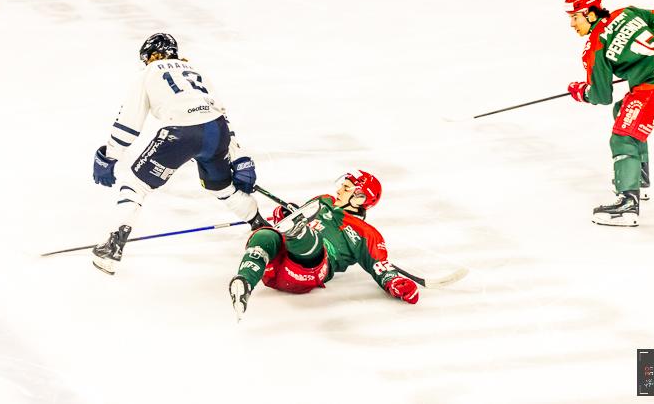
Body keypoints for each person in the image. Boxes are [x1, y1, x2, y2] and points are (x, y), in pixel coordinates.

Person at [91, 33, 269, 274]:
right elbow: (220, 113)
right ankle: (259, 224)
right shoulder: (195, 70)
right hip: (216, 130)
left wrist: (110, 155)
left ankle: (113, 246)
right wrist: (239, 157)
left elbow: (129, 122)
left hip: (182, 133)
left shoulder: (148, 73)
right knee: (221, 187)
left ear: (151, 56)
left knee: (135, 185)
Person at [565, 0, 654, 226]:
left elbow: (601, 95)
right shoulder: (626, 13)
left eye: (575, 17)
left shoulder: (595, 47)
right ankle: (638, 178)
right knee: (622, 112)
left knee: (623, 136)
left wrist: (581, 91)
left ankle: (627, 205)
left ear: (591, 14)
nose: (572, 24)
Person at [228, 170, 419, 320]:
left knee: (311, 239)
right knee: (265, 235)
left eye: (346, 188)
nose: (339, 190)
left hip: (306, 272)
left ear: (360, 198)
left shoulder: (366, 233)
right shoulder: (323, 200)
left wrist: (395, 282)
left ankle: (298, 231)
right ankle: (245, 282)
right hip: (274, 268)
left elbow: (380, 267)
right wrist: (285, 214)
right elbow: (284, 218)